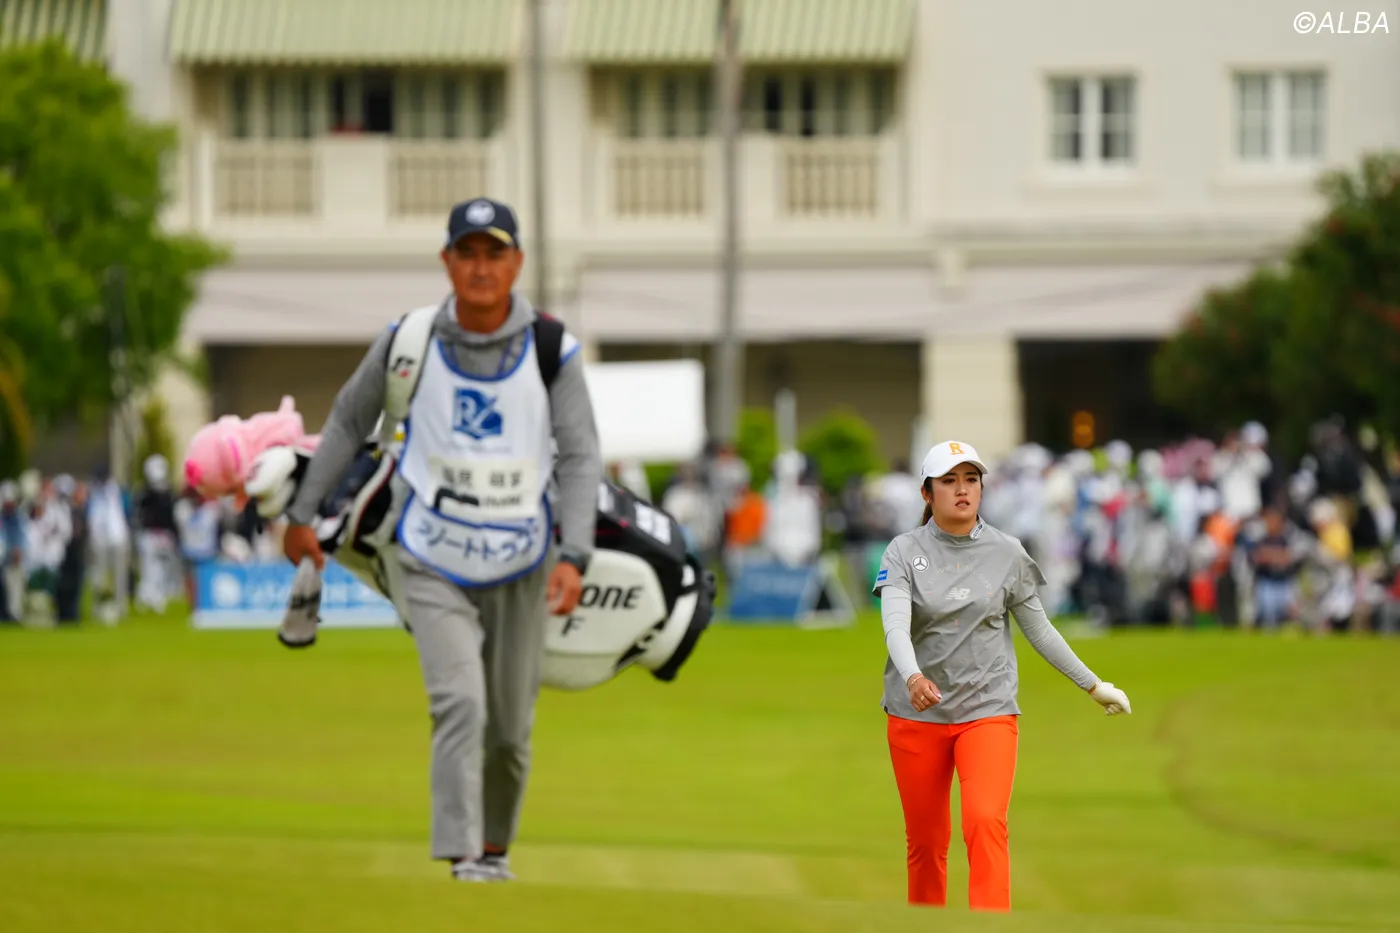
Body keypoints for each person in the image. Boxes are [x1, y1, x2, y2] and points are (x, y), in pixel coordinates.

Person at [280, 197, 603, 883]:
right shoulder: (410, 342)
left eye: (495, 253)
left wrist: (574, 554)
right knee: (460, 701)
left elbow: (580, 457)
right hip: (429, 556)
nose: (481, 267)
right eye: (468, 253)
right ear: (446, 261)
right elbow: (348, 422)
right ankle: (463, 858)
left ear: (517, 262)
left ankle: (493, 849)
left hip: (522, 560)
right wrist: (302, 514)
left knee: (509, 731)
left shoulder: (553, 350)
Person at [873, 440, 1132, 912]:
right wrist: (912, 677)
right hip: (916, 713)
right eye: (949, 481)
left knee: (985, 822)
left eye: (971, 479)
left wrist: (1094, 685)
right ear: (927, 493)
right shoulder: (903, 551)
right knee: (927, 842)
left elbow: (1041, 631)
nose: (962, 489)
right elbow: (895, 626)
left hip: (987, 709)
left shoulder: (1007, 552)